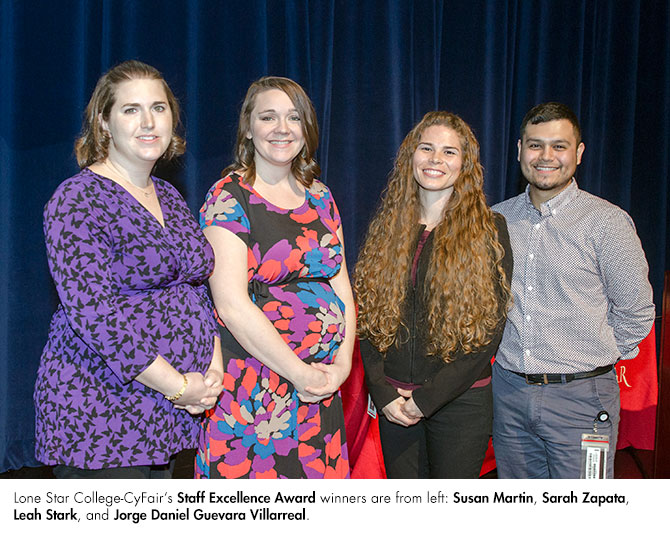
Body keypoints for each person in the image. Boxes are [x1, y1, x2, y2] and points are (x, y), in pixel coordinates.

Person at [34, 60, 224, 478]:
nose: (148, 121)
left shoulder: (169, 196)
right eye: (130, 109)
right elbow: (95, 314)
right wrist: (178, 386)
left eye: (158, 107)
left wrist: (212, 369)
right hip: (102, 413)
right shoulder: (76, 200)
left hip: (171, 417)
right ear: (104, 123)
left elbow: (193, 289)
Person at [196, 76, 354, 479]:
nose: (282, 129)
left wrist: (341, 366)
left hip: (320, 390)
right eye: (269, 117)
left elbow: (343, 290)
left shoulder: (321, 195)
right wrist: (301, 373)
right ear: (249, 128)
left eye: (294, 118)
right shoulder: (229, 197)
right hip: (255, 390)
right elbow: (230, 304)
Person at [491, 102, 655, 479]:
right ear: (519, 150)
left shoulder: (607, 223)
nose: (546, 156)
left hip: (583, 400)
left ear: (578, 153)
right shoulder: (496, 220)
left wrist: (596, 361)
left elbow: (637, 312)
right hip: (509, 394)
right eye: (535, 145)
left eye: (559, 146)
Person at [354, 111, 513, 478]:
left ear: (465, 165)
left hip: (460, 403)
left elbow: (489, 332)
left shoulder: (490, 230)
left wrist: (424, 401)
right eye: (427, 148)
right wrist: (382, 390)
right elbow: (369, 317)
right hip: (394, 403)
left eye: (449, 152)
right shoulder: (388, 227)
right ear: (411, 155)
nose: (435, 160)